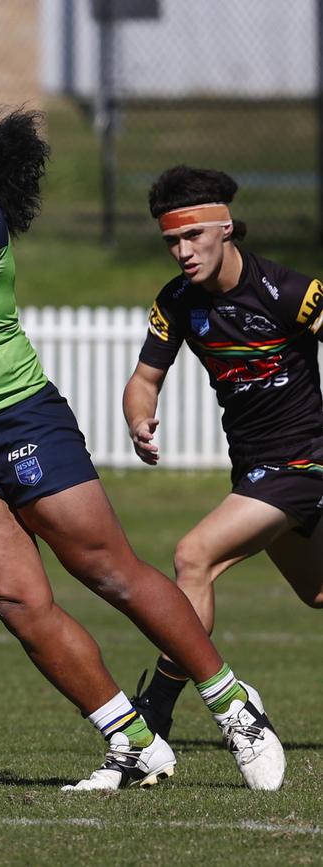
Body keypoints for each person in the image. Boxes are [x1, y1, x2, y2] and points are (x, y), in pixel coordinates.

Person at [0, 98, 285, 791]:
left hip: (16, 419)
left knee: (108, 570)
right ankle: (131, 741)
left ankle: (232, 704)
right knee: (15, 599)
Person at [124, 164, 323, 742]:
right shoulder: (180, 301)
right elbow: (143, 380)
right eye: (171, 242)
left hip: (304, 462)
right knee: (316, 593)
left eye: (193, 237)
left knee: (194, 556)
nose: (183, 252)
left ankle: (157, 710)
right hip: (255, 471)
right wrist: (139, 417)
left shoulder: (289, 291)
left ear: (226, 228)